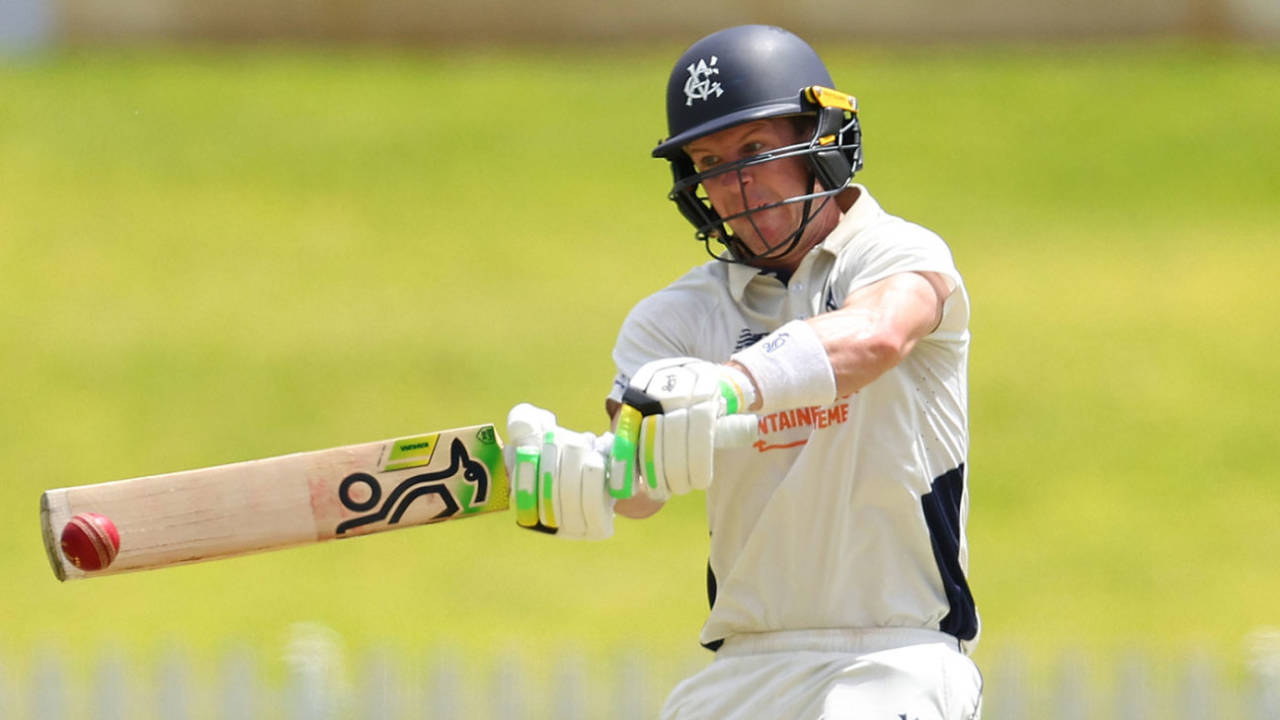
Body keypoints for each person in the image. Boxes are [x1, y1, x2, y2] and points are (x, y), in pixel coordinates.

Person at [505, 24, 982, 719]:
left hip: (894, 659)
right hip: (742, 667)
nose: (735, 183)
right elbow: (642, 487)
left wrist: (729, 385)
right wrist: (589, 477)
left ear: (821, 140)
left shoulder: (898, 252)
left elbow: (877, 336)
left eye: (754, 150)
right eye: (709, 161)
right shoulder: (672, 319)